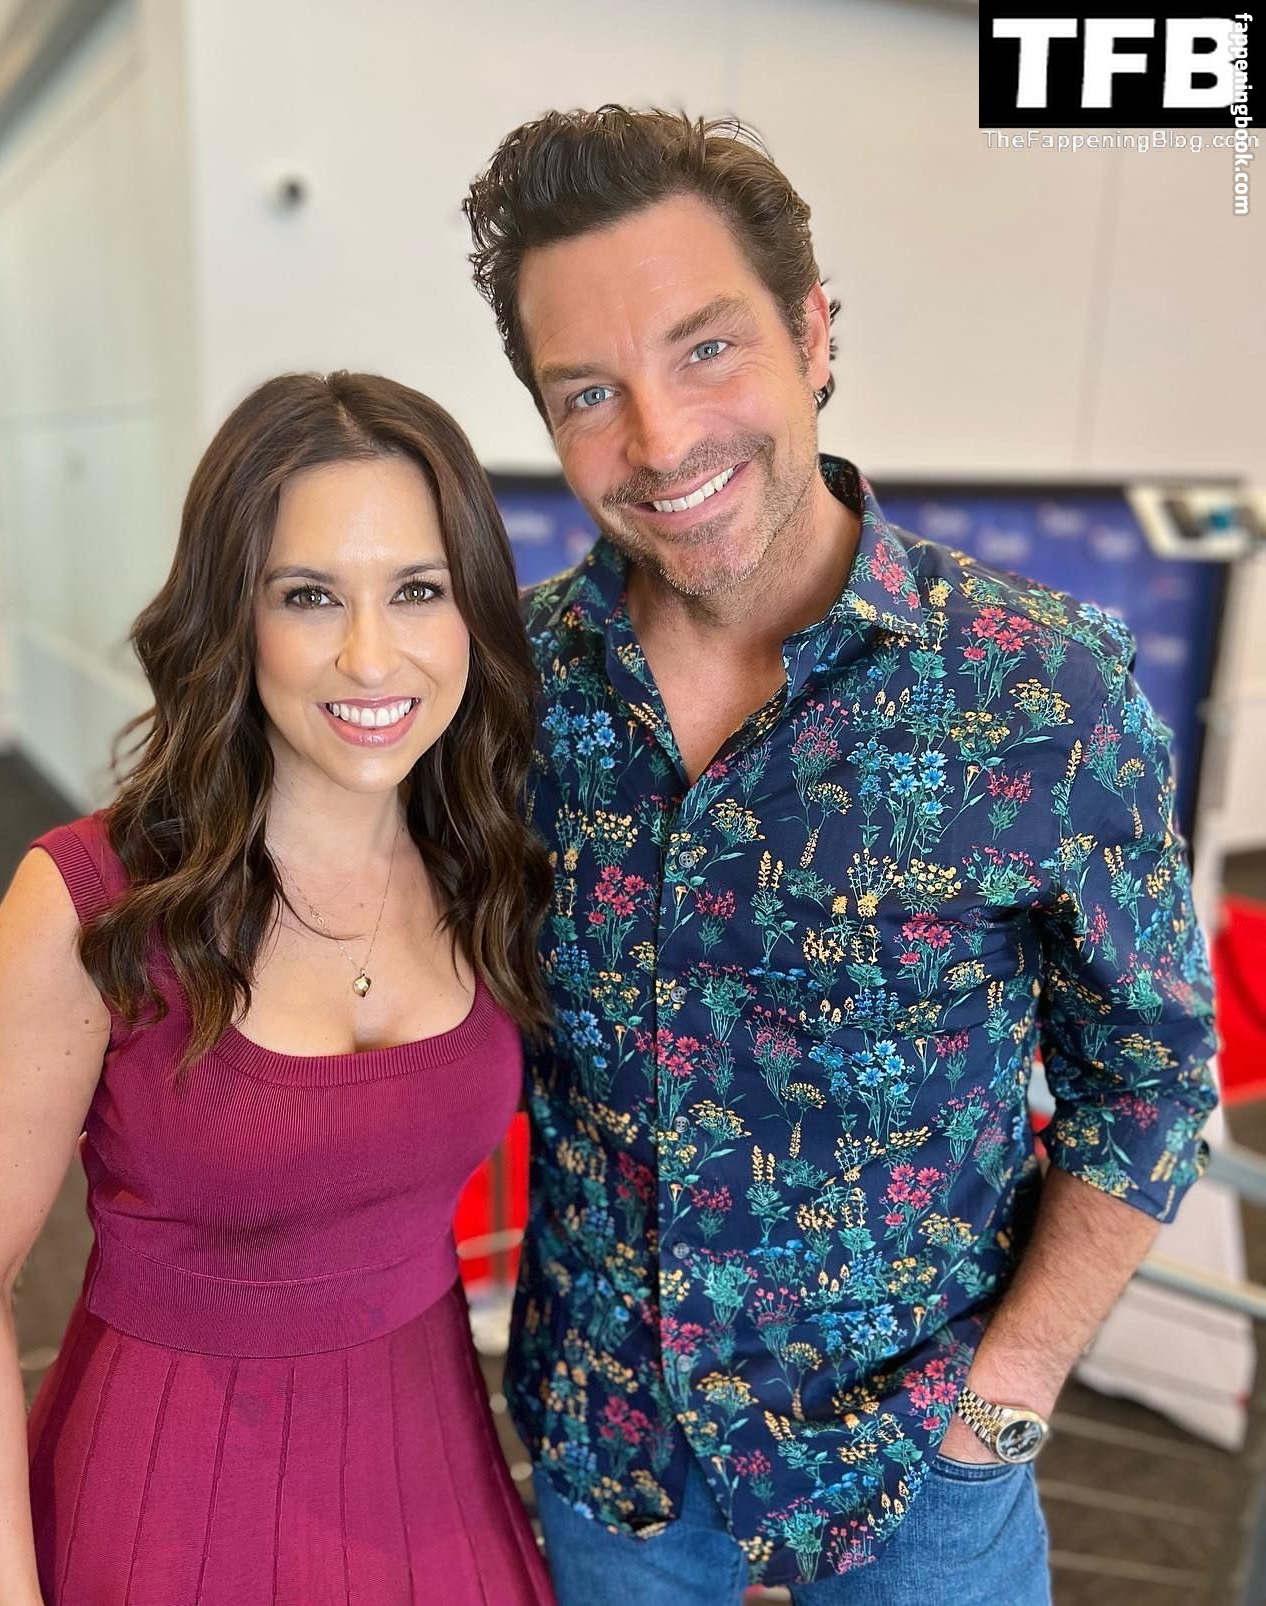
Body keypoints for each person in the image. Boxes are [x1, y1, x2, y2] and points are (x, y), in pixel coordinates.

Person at [461, 108, 1219, 1604]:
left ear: (813, 333)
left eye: (707, 348)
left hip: (922, 1462)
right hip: (615, 1454)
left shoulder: (1038, 687)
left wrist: (1009, 1394)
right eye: (591, 390)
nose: (661, 440)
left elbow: (1151, 1071)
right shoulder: (504, 694)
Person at [0, 372, 557, 1605]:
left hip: (434, 1482)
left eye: (417, 590)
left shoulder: (487, 865)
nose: (372, 653)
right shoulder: (96, 898)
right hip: (167, 1506)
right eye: (309, 596)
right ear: (233, 616)